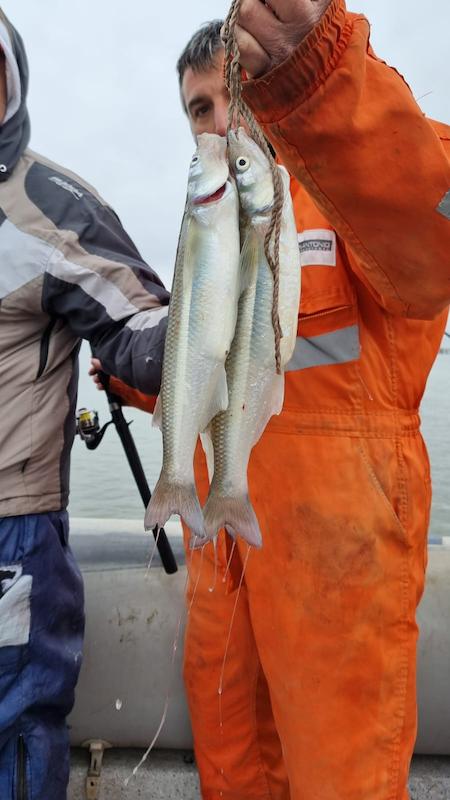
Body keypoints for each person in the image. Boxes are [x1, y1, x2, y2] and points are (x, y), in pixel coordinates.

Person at [96, 4, 450, 799]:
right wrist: (131, 379)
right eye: (199, 110)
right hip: (227, 544)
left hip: (336, 566)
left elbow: (433, 245)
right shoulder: (205, 229)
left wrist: (316, 82)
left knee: (339, 778)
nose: (220, 122)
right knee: (232, 756)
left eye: (233, 93)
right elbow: (214, 370)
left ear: (262, 86)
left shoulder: (368, 179)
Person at [0, 9, 170, 799]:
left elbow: (141, 322)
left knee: (16, 725)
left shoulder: (51, 203)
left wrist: (192, 340)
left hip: (13, 530)